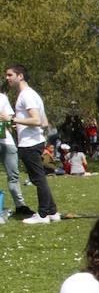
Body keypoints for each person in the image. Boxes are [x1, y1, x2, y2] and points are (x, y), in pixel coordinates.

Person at [2, 64, 58, 224]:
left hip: (30, 144)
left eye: (10, 75)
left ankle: (42, 215)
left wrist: (12, 119)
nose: (7, 78)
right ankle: (52, 212)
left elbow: (36, 120)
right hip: (35, 141)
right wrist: (19, 123)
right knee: (39, 178)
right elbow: (45, 122)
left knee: (38, 179)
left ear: (20, 76)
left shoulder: (26, 95)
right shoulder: (32, 94)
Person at [0, 88, 31, 216]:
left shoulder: (2, 97)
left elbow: (9, 119)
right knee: (13, 176)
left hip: (6, 141)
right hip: (7, 142)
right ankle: (20, 206)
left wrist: (8, 122)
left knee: (13, 176)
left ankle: (20, 206)